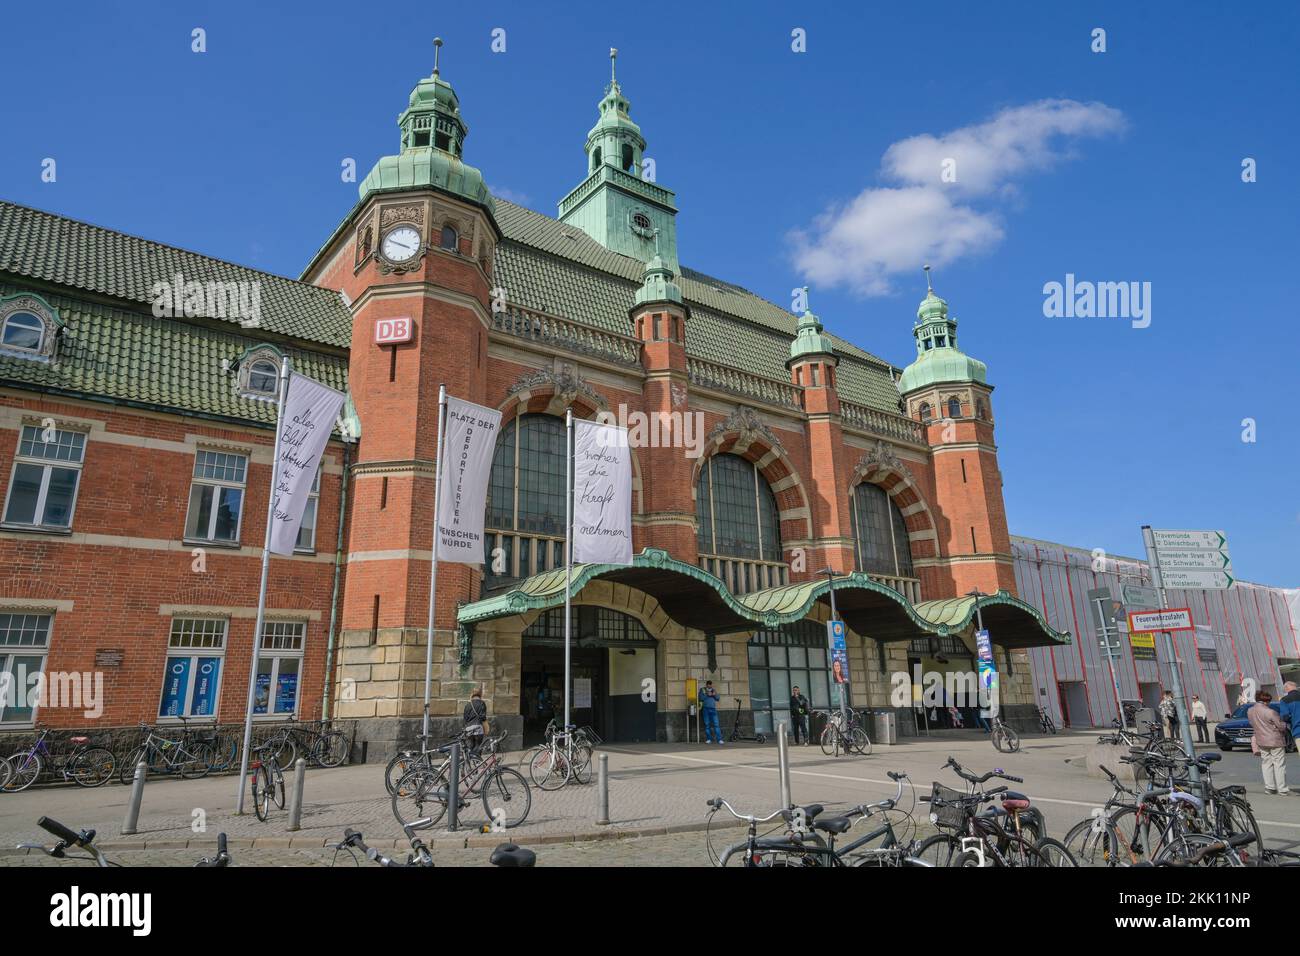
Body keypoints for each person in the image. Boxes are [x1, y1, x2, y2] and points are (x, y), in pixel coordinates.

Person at [1247, 691, 1290, 795]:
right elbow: (1281, 726)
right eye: (1269, 701)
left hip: (1260, 740)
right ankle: (1282, 789)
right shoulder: (1270, 711)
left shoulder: (1250, 711)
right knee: (1279, 764)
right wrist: (1285, 724)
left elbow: (1252, 724)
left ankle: (1269, 787)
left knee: (1266, 763)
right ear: (1266, 701)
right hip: (1275, 740)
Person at [463, 686, 488, 755]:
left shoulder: (468, 704)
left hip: (468, 728)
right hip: (478, 728)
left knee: (470, 746)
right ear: (480, 694)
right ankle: (477, 762)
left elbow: (465, 718)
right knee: (478, 746)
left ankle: (470, 761)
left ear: (472, 693)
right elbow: (483, 717)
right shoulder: (481, 703)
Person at [699, 680, 723, 744]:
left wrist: (713, 695)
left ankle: (719, 739)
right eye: (708, 685)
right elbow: (700, 698)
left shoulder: (713, 690)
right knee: (707, 724)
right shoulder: (702, 690)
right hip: (705, 709)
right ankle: (709, 739)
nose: (710, 686)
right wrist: (707, 694)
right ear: (706, 685)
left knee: (716, 724)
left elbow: (718, 698)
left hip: (713, 709)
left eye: (710, 684)